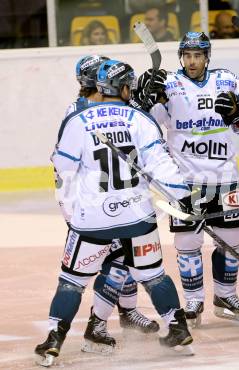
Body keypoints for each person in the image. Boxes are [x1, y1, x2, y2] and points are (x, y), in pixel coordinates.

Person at [34, 59, 194, 367]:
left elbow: (63, 166)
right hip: (137, 217)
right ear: (123, 87)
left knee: (72, 281)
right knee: (153, 275)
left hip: (93, 219)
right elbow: (160, 164)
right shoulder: (140, 119)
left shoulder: (78, 120)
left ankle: (54, 339)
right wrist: (182, 197)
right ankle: (177, 327)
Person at [133, 31, 239, 327]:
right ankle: (194, 299)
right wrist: (145, 97)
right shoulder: (170, 84)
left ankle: (226, 294)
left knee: (230, 239)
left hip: (225, 176)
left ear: (207, 57)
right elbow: (147, 123)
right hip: (186, 180)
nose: (192, 61)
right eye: (187, 55)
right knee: (188, 242)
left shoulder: (226, 79)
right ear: (181, 57)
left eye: (198, 55)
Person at [68, 55, 161, 354]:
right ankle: (98, 324)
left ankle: (126, 313)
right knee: (114, 263)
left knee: (126, 259)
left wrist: (143, 104)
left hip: (121, 198)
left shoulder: (109, 107)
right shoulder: (79, 112)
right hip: (96, 203)